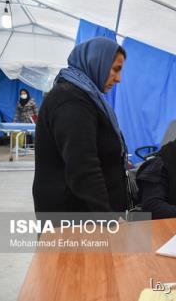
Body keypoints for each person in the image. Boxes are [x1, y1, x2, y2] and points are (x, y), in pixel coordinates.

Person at [33, 37, 131, 214]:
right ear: (97, 61)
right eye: (115, 69)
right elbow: (82, 166)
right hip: (74, 216)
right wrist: (108, 218)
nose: (118, 79)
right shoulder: (70, 100)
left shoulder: (86, 97)